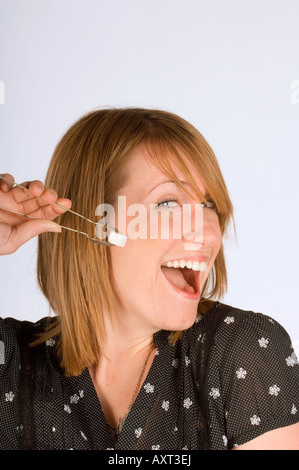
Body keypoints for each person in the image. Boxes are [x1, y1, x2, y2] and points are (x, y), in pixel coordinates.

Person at [0, 108, 298, 450]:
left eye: (209, 204)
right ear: (96, 225)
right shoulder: (11, 362)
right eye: (169, 202)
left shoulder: (242, 352)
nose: (206, 233)